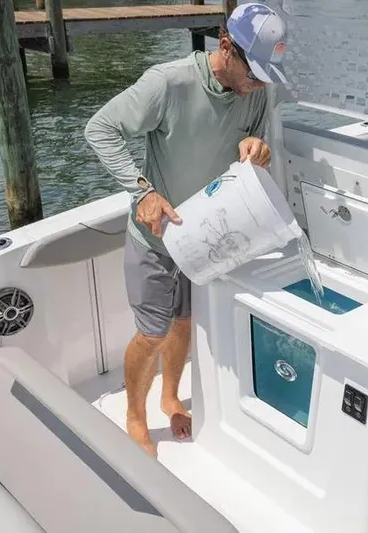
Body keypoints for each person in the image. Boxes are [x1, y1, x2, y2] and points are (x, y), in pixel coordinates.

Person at [84, 2, 289, 456]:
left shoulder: (257, 90)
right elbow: (100, 129)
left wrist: (259, 148)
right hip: (155, 239)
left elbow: (256, 143)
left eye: (266, 76)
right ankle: (135, 417)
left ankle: (170, 396)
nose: (259, 84)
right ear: (226, 46)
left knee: (183, 323)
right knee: (151, 333)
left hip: (205, 240)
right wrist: (141, 191)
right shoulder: (167, 83)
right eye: (254, 73)